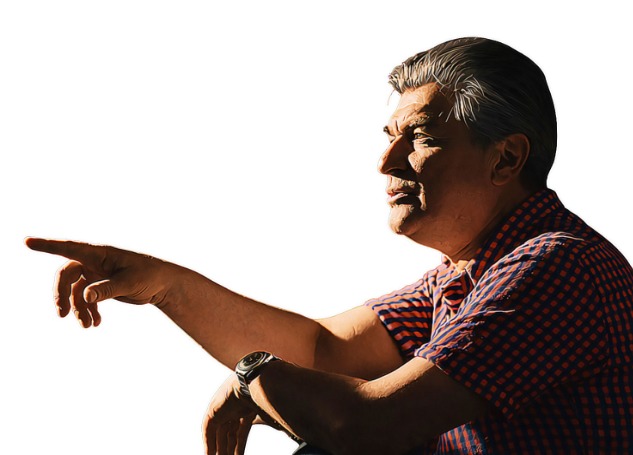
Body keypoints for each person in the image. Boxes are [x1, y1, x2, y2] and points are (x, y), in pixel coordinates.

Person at [26, 37, 633, 454]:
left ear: (505, 158)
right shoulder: (465, 274)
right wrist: (164, 285)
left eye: (420, 137)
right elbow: (320, 350)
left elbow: (368, 423)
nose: (386, 161)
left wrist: (251, 379)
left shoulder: (556, 266)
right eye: (389, 136)